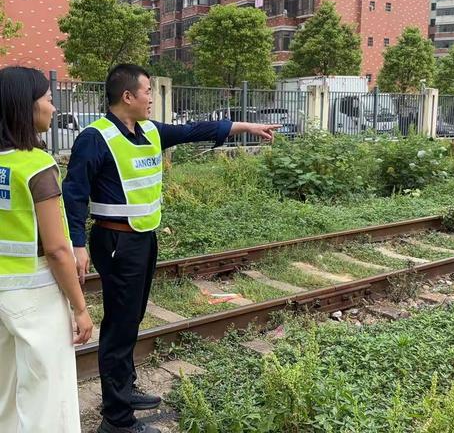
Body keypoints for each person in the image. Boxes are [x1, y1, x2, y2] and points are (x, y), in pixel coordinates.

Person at [62, 64, 281, 433]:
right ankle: (116, 421)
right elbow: (74, 192)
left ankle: (124, 388)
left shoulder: (148, 131)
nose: (152, 97)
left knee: (132, 317)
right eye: (148, 91)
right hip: (115, 241)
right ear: (127, 96)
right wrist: (78, 244)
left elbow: (193, 130)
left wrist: (245, 127)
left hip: (143, 238)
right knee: (118, 326)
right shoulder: (95, 138)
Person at [0, 66, 93, 433]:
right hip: (34, 294)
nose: (53, 108)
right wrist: (80, 308)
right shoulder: (36, 166)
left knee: (6, 391)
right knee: (48, 396)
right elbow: (56, 249)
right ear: (27, 106)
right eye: (49, 100)